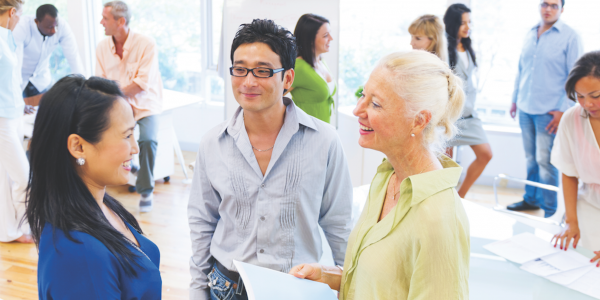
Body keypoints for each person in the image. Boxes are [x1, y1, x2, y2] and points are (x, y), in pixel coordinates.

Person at [188, 19, 353, 300]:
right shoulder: (212, 143)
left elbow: (339, 223)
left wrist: (349, 285)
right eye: (240, 69)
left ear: (287, 79)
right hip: (226, 287)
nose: (248, 81)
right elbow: (202, 222)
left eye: (263, 71)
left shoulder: (324, 140)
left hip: (295, 288)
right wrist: (197, 290)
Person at [290, 50, 470, 300]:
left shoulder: (438, 218)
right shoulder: (387, 179)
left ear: (418, 121)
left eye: (375, 103)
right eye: (363, 95)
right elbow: (386, 284)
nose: (357, 109)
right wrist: (327, 276)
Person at [27, 75, 162, 299]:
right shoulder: (79, 254)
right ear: (78, 146)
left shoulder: (100, 205)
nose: (135, 148)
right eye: (127, 135)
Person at [507, 0, 582, 217]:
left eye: (553, 5)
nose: (547, 9)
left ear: (562, 9)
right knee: (531, 159)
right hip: (525, 106)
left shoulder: (571, 36)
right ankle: (531, 199)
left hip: (549, 111)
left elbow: (574, 76)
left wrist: (563, 109)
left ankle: (551, 210)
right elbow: (522, 70)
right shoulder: (530, 32)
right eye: (544, 4)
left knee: (546, 162)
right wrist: (514, 99)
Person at [96, 0, 163, 212]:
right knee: (103, 136)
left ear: (121, 21)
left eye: (105, 18)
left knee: (148, 139)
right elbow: (100, 82)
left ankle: (145, 189)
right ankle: (107, 183)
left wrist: (116, 90)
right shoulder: (101, 47)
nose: (101, 22)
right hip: (117, 106)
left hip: (145, 105)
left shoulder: (146, 44)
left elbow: (142, 84)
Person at [550, 51, 600, 257]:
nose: (587, 104)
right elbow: (569, 172)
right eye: (580, 96)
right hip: (589, 202)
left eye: (595, 96)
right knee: (578, 256)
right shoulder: (572, 118)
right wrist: (571, 222)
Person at [444, 3, 493, 199]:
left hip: (470, 114)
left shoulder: (467, 46)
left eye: (469, 22)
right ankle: (445, 197)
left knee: (485, 154)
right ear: (453, 23)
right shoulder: (443, 49)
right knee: (445, 161)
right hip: (450, 114)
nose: (467, 26)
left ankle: (460, 196)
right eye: (463, 22)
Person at [0, 0, 32, 244]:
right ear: (12, 12)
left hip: (13, 115)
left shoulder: (7, 38)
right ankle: (21, 229)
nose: (21, 19)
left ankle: (9, 231)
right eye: (20, 13)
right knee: (23, 176)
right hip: (2, 119)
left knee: (8, 177)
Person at [13, 4, 83, 106]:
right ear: (36, 21)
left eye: (56, 26)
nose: (54, 31)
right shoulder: (22, 26)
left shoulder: (62, 26)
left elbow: (73, 56)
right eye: (50, 27)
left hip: (41, 81)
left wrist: (82, 86)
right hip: (20, 80)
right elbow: (15, 62)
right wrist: (16, 97)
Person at [289, 14, 336, 123]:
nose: (331, 38)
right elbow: (273, 99)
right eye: (325, 35)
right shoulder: (298, 67)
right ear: (309, 39)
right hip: (305, 133)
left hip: (324, 132)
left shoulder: (321, 60)